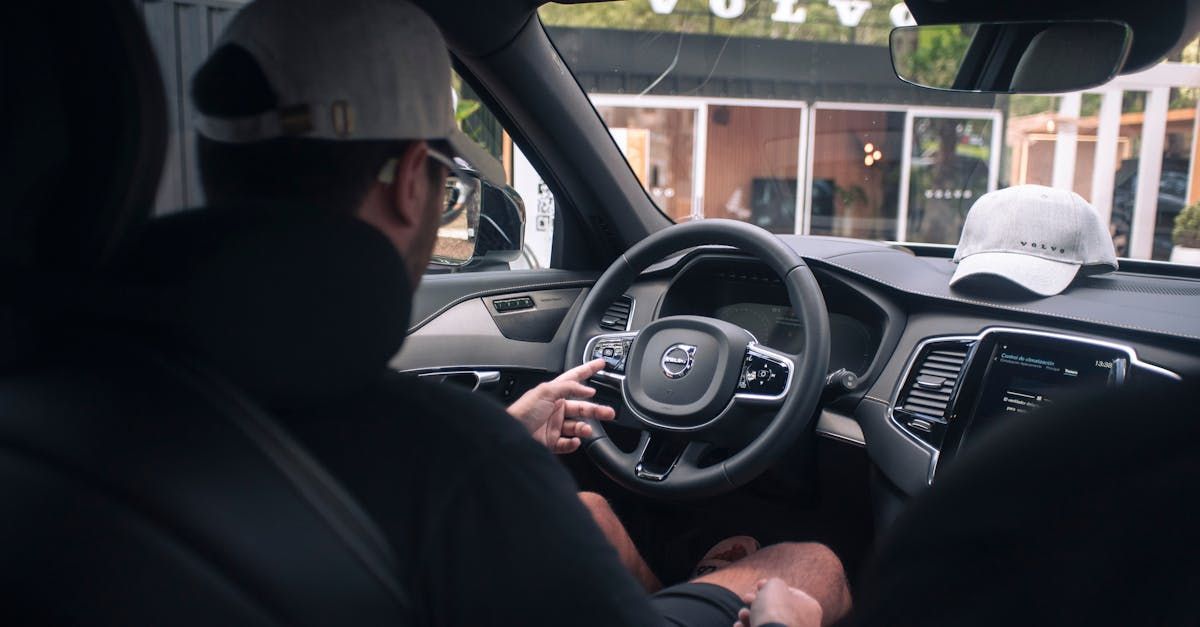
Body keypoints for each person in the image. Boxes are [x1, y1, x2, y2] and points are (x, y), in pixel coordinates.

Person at [188, 0, 850, 624]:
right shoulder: (460, 465)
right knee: (809, 567)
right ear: (413, 180)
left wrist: (505, 433)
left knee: (589, 509)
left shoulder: (121, 380)